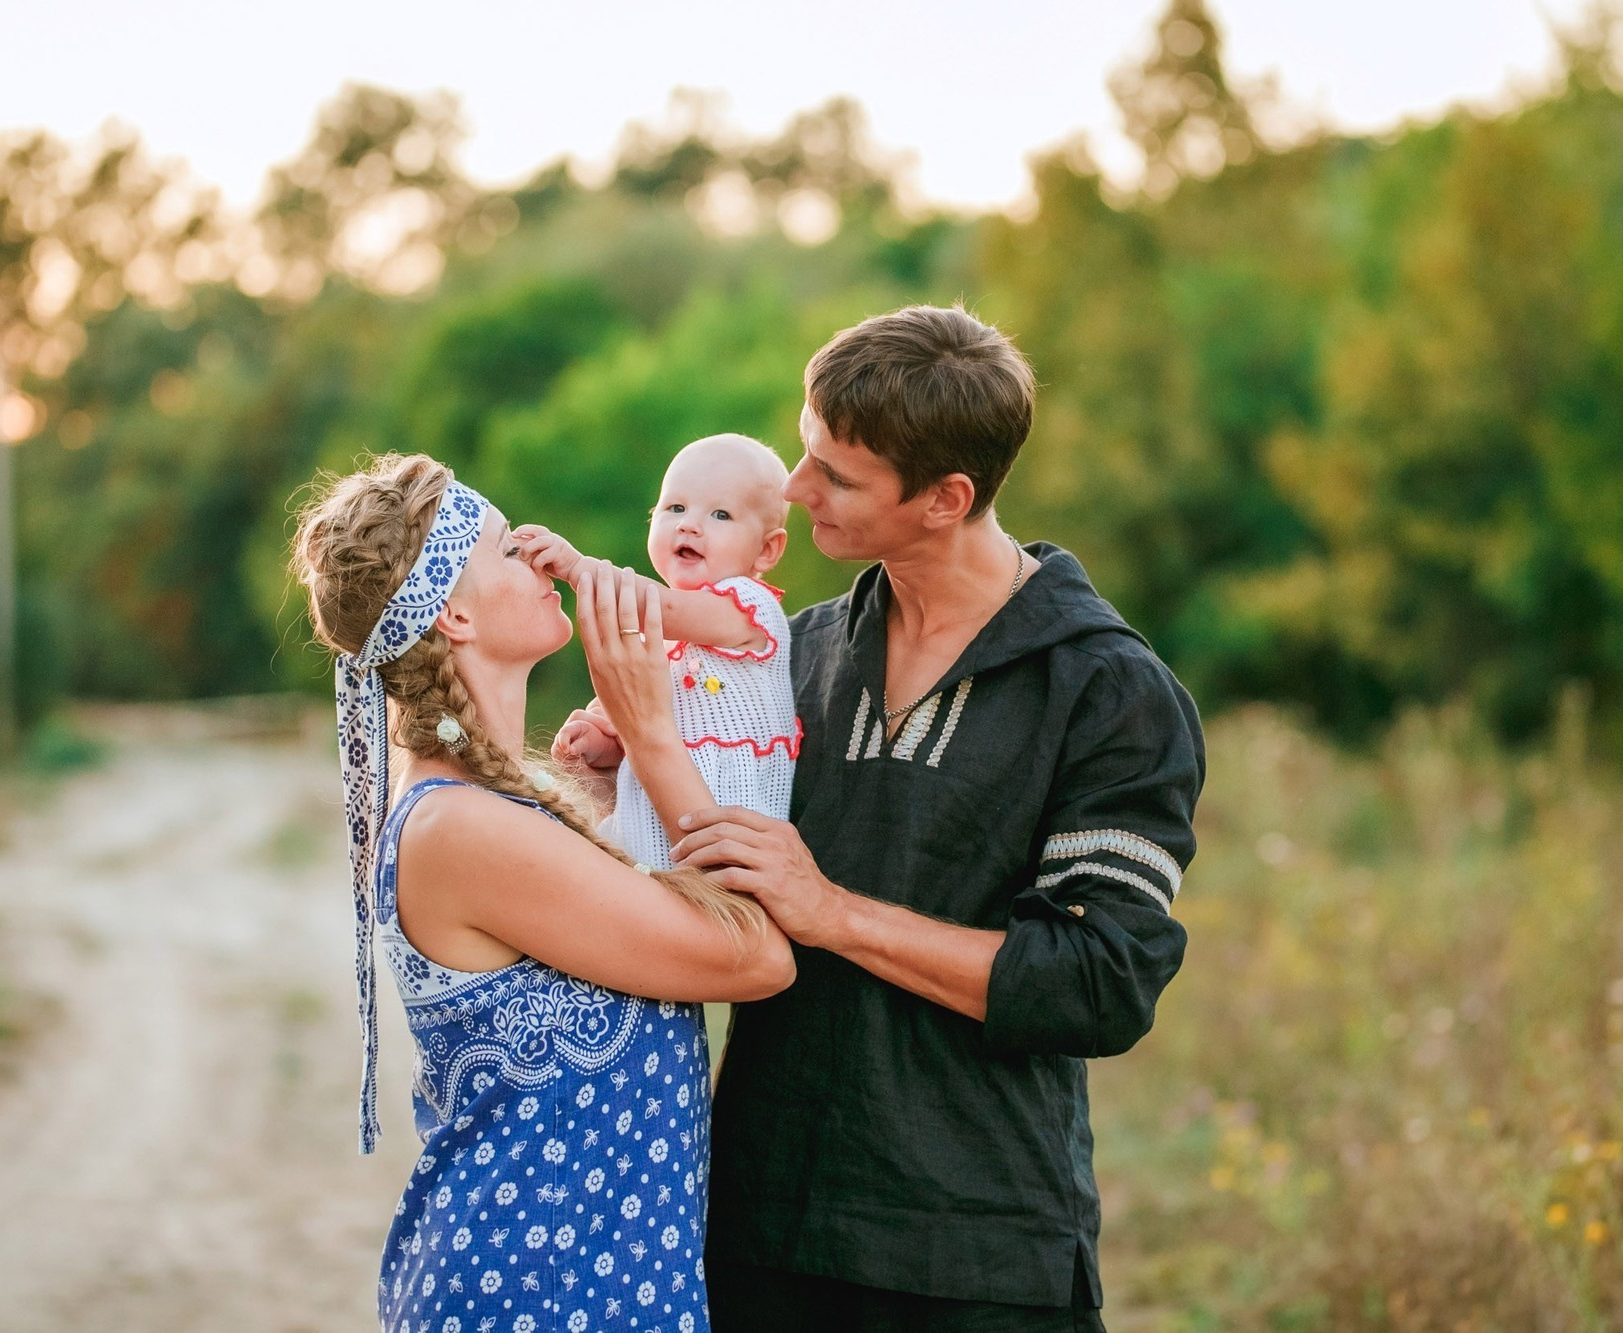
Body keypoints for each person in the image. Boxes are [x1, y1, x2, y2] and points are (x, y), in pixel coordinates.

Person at [670, 306, 1207, 1331]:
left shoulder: (1107, 692)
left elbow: (1095, 987)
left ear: (945, 499)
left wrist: (830, 910)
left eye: (837, 473)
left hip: (974, 1256)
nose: (792, 487)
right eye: (802, 447)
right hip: (756, 1233)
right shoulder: (791, 651)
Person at [291, 453, 794, 1333]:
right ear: (454, 609)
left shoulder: (507, 800)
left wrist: (624, 773)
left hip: (589, 1281)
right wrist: (652, 734)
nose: (535, 554)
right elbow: (755, 955)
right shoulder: (463, 829)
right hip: (540, 1288)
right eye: (502, 546)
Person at [511, 433, 800, 872]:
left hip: (729, 841)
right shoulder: (662, 635)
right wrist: (604, 745)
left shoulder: (747, 606)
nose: (689, 524)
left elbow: (662, 606)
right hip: (652, 838)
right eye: (674, 508)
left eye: (720, 514)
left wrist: (579, 569)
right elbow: (641, 732)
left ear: (767, 548)